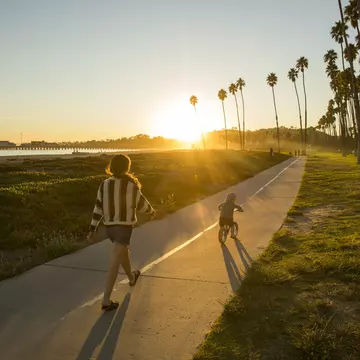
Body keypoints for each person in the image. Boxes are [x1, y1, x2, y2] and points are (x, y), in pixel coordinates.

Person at [87, 154, 155, 311]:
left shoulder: (104, 184)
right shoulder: (131, 185)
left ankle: (131, 277)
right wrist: (151, 213)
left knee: (122, 252)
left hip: (110, 228)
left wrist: (92, 228)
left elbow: (98, 208)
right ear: (127, 167)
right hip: (124, 228)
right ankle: (106, 300)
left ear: (111, 166)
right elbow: (142, 204)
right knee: (115, 261)